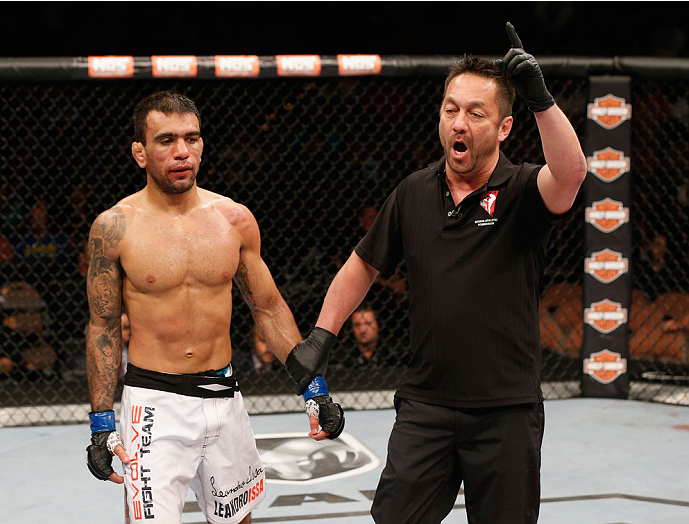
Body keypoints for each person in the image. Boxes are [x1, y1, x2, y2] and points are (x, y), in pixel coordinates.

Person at [296, 23, 587, 523]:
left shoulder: (521, 190)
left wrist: (542, 101)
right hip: (425, 406)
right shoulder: (413, 192)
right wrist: (322, 334)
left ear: (503, 128)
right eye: (451, 109)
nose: (459, 123)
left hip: (505, 411)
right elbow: (364, 264)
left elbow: (571, 174)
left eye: (477, 113)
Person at [84, 91, 343, 524]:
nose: (182, 152)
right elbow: (103, 326)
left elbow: (268, 308)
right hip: (153, 403)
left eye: (192, 138)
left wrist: (313, 390)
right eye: (166, 140)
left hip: (224, 397)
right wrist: (100, 422)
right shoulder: (115, 227)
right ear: (140, 153)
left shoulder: (234, 220)